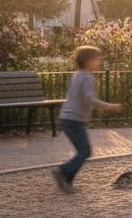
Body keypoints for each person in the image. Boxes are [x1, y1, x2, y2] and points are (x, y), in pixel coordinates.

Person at [52, 46, 124, 193]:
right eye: (97, 58)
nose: (99, 61)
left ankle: (67, 182)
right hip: (74, 119)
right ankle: (62, 171)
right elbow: (88, 98)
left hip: (67, 118)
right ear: (88, 61)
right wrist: (109, 106)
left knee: (82, 151)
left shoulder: (77, 74)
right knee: (85, 151)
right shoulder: (88, 77)